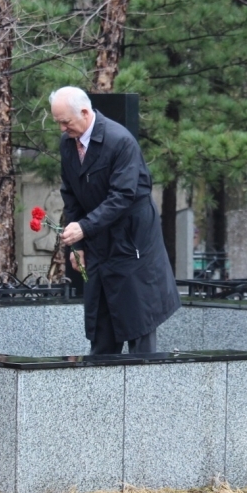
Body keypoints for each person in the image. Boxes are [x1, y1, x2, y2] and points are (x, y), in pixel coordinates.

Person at [50, 86, 180, 354]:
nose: (63, 129)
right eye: (58, 123)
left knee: (138, 324)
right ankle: (101, 392)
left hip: (132, 243)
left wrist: (83, 229)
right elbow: (70, 195)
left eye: (66, 122)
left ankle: (142, 392)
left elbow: (122, 196)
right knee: (101, 326)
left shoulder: (119, 141)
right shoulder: (67, 144)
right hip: (98, 241)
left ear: (85, 113)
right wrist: (78, 247)